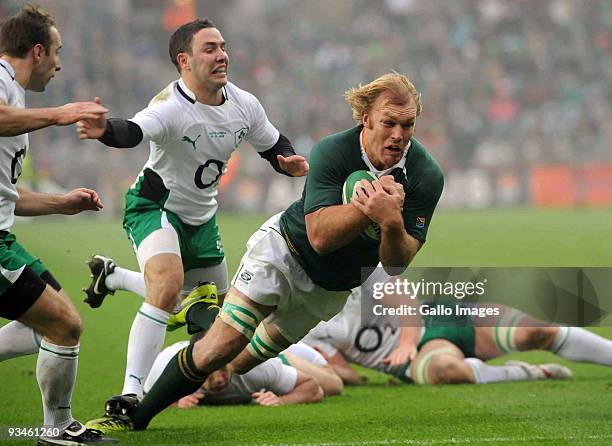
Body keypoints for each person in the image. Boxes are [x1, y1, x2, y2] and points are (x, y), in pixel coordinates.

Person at [86, 71, 444, 432]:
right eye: (389, 123)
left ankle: (195, 308)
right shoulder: (334, 151)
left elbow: (397, 263)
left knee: (240, 361)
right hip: (283, 254)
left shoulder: (426, 174)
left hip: (329, 290)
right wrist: (366, 210)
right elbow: (319, 237)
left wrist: (393, 223)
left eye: (408, 125)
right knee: (218, 348)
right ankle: (136, 415)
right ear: (366, 118)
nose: (398, 135)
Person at [75, 17, 309, 414]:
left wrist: (285, 162)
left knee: (213, 322)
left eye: (223, 46)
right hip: (155, 207)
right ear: (184, 61)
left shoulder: (244, 103)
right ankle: (131, 393)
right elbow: (132, 131)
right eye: (210, 49)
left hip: (203, 220)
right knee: (168, 288)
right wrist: (104, 131)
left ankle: (111, 276)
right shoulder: (170, 107)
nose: (222, 55)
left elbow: (272, 143)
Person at [0, 5, 115, 445]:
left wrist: (60, 203)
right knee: (65, 326)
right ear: (36, 50)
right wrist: (59, 113)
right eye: (56, 52)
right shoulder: (1, 79)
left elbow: (9, 198)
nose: (60, 63)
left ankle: (56, 428)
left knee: (52, 325)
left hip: (5, 239)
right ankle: (57, 430)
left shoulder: (15, 94)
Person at [302, 287, 612, 386]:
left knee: (537, 331)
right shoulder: (302, 326)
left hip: (441, 315)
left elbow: (405, 300)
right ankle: (526, 372)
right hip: (419, 355)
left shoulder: (349, 268)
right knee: (450, 370)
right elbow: (341, 374)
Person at [142, 340, 339, 409]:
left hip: (273, 355)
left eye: (223, 369)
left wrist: (282, 400)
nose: (219, 380)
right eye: (209, 374)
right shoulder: (167, 367)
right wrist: (175, 401)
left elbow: (314, 389)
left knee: (336, 384)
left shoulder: (253, 367)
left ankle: (278, 348)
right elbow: (144, 396)